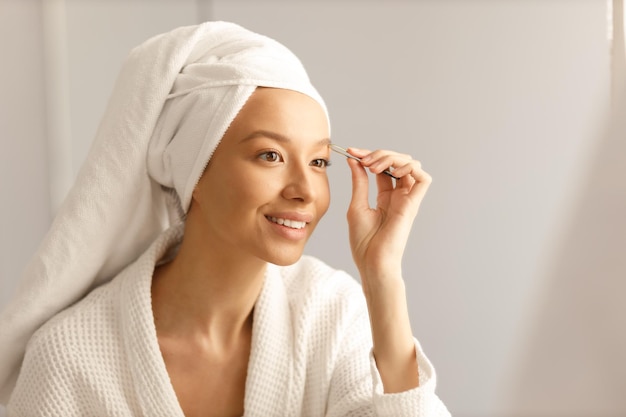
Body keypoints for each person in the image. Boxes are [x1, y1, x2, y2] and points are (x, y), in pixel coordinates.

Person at [0, 22, 450, 416]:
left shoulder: (330, 314)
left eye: (318, 162)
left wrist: (382, 278)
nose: (305, 190)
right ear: (194, 170)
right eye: (270, 155)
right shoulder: (70, 358)